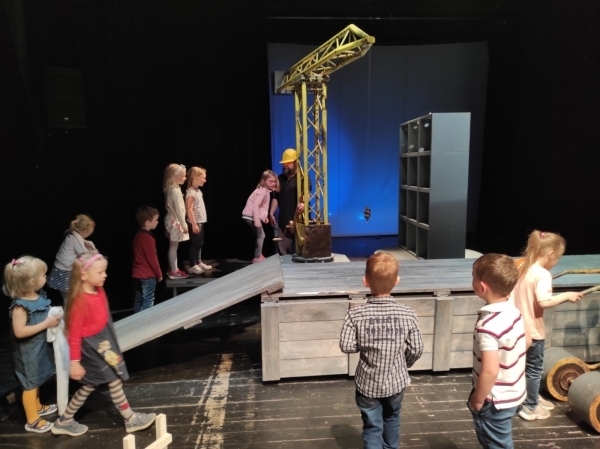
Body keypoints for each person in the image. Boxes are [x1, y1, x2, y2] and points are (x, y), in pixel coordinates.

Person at [51, 253, 156, 436]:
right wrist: (74, 362)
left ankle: (64, 421)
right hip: (91, 348)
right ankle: (130, 419)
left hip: (103, 343)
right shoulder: (79, 301)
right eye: (100, 272)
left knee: (90, 385)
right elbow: (74, 334)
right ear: (84, 275)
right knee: (113, 380)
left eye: (104, 271)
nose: (105, 275)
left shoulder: (98, 289)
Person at [339, 252, 423, 449]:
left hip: (367, 384)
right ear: (397, 280)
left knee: (372, 426)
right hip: (396, 382)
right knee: (392, 418)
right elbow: (417, 348)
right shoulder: (408, 314)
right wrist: (403, 363)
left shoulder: (354, 315)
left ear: (365, 281)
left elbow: (346, 345)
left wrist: (365, 344)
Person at [511, 230, 582, 420]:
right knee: (534, 369)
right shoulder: (542, 274)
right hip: (532, 331)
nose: (556, 262)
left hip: (517, 328)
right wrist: (567, 295)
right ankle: (530, 406)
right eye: (557, 257)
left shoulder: (520, 266)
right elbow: (544, 301)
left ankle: (530, 396)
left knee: (521, 367)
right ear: (550, 254)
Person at [468, 253, 529, 449]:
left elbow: (490, 371)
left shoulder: (488, 327)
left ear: (482, 286)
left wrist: (478, 400)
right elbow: (527, 340)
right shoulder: (513, 311)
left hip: (494, 400)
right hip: (515, 391)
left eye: (473, 276)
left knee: (496, 444)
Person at [3, 256, 61, 433]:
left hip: (40, 349)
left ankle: (37, 407)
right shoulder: (19, 307)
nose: (46, 277)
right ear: (30, 282)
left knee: (38, 379)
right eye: (43, 275)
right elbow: (19, 331)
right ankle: (32, 420)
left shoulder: (39, 296)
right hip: (28, 353)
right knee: (30, 385)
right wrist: (46, 324)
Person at [47, 214, 96, 302]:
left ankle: (69, 307)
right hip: (64, 271)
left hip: (61, 268)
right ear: (85, 231)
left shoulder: (72, 235)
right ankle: (69, 309)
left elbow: (83, 245)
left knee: (69, 295)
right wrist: (93, 252)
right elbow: (83, 253)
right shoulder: (74, 238)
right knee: (68, 296)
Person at [269, 148, 305, 255]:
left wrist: (303, 203)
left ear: (296, 163)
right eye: (284, 163)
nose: (285, 165)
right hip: (284, 221)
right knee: (283, 251)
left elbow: (307, 193)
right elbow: (276, 197)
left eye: (288, 163)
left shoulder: (302, 178)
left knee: (301, 251)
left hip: (299, 220)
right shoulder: (280, 179)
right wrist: (271, 213)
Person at [242, 170, 279, 263]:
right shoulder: (262, 191)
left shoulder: (265, 191)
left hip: (251, 216)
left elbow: (262, 207)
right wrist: (257, 220)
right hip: (251, 216)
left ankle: (258, 254)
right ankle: (257, 256)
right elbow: (256, 205)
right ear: (264, 181)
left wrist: (264, 217)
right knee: (261, 235)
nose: (273, 184)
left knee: (260, 235)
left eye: (274, 182)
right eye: (270, 181)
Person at [132, 206, 162, 313]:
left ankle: (137, 319)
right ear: (148, 222)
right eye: (156, 220)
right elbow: (152, 259)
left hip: (137, 274)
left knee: (139, 299)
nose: (157, 222)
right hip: (147, 275)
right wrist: (159, 275)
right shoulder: (148, 238)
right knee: (148, 299)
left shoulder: (138, 236)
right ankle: (148, 321)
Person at [163, 163, 189, 279]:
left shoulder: (172, 189)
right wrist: (184, 225)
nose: (185, 178)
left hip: (171, 220)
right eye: (183, 176)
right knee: (173, 247)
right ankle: (174, 270)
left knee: (173, 246)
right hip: (174, 221)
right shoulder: (175, 191)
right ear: (175, 176)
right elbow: (179, 210)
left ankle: (173, 268)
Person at [185, 166, 212, 274]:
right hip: (195, 222)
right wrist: (194, 224)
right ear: (196, 178)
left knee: (199, 243)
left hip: (200, 221)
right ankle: (193, 265)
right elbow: (189, 209)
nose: (205, 180)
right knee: (195, 243)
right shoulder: (191, 192)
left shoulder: (198, 191)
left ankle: (198, 261)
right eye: (203, 178)